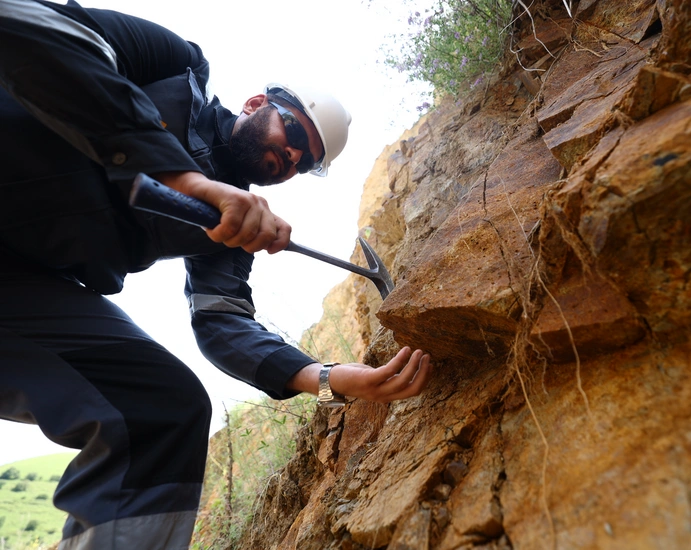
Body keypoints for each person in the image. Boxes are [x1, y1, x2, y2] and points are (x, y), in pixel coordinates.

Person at [0, 1, 432, 548]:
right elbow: (36, 27)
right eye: (292, 130)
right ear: (256, 104)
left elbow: (223, 323)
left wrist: (324, 378)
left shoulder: (233, 231)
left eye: (303, 161)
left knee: (164, 408)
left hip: (15, 285)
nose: (291, 154)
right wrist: (188, 180)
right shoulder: (174, 63)